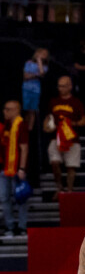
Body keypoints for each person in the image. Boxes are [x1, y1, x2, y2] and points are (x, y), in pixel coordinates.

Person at [44, 76, 85, 195]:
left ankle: (69, 190)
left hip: (72, 138)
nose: (60, 88)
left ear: (70, 86)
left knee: (71, 166)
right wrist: (47, 126)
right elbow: (48, 118)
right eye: (59, 86)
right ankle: (59, 187)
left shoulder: (76, 102)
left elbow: (84, 121)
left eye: (63, 86)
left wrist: (71, 124)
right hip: (56, 137)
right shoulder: (53, 102)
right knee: (54, 162)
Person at [1, 99, 30, 238]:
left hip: (17, 168)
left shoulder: (21, 124)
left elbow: (24, 148)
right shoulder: (5, 125)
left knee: (20, 198)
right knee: (4, 198)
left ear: (17, 110)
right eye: (5, 109)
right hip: (3, 168)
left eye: (9, 109)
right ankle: (9, 226)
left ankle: (22, 226)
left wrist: (22, 168)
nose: (5, 112)